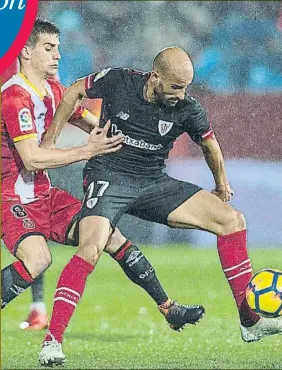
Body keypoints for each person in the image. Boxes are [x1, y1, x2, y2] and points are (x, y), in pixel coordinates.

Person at [39, 46, 282, 366]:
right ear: (155, 77)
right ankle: (52, 340)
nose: (181, 95)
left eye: (186, 87)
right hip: (108, 176)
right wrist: (51, 142)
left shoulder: (188, 108)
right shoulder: (117, 80)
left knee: (232, 220)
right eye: (175, 86)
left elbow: (210, 144)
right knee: (91, 249)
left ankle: (249, 321)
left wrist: (221, 183)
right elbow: (73, 92)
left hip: (152, 182)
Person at [1, 18, 204, 339]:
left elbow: (86, 119)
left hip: (45, 196)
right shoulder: (14, 97)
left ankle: (169, 309)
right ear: (26, 52)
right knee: (38, 259)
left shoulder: (54, 90)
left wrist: (117, 137)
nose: (57, 56)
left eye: (59, 49)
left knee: (110, 236)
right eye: (49, 48)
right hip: (12, 199)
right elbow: (32, 157)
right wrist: (89, 150)